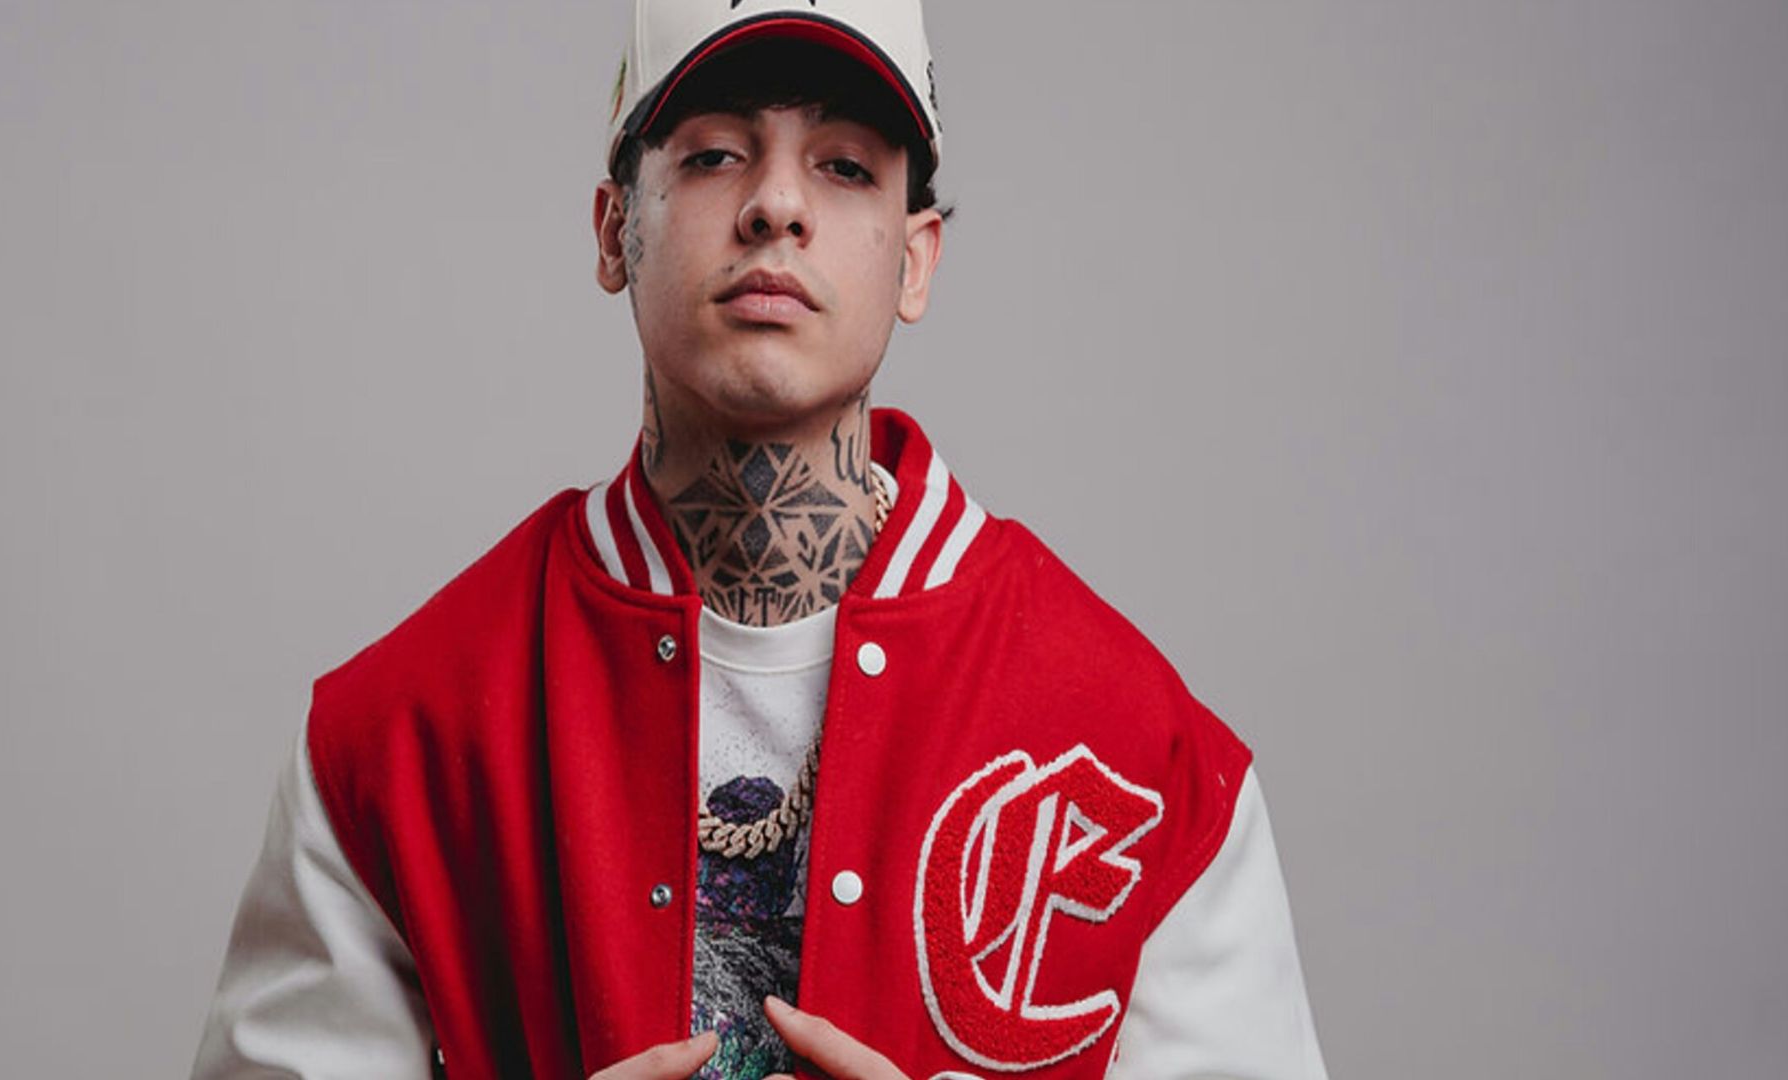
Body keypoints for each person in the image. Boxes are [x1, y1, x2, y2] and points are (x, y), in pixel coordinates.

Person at [191, 3, 1329, 1078]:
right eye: (714, 154)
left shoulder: (1144, 757)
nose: (777, 205)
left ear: (917, 257)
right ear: (612, 231)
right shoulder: (401, 740)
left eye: (843, 166)